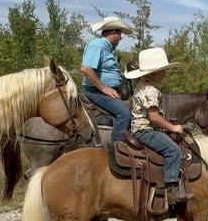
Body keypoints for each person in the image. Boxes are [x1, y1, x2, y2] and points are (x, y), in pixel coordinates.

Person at [125, 47, 194, 203]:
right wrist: (173, 127)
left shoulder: (142, 85)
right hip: (145, 130)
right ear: (154, 73)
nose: (165, 73)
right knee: (173, 150)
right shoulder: (150, 91)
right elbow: (154, 117)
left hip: (142, 128)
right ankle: (172, 189)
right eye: (163, 70)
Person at [80, 16, 133, 144]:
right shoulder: (97, 46)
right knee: (124, 113)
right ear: (114, 33)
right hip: (96, 91)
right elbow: (86, 69)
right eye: (120, 33)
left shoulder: (108, 49)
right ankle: (117, 148)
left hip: (105, 89)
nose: (121, 37)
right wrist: (104, 88)